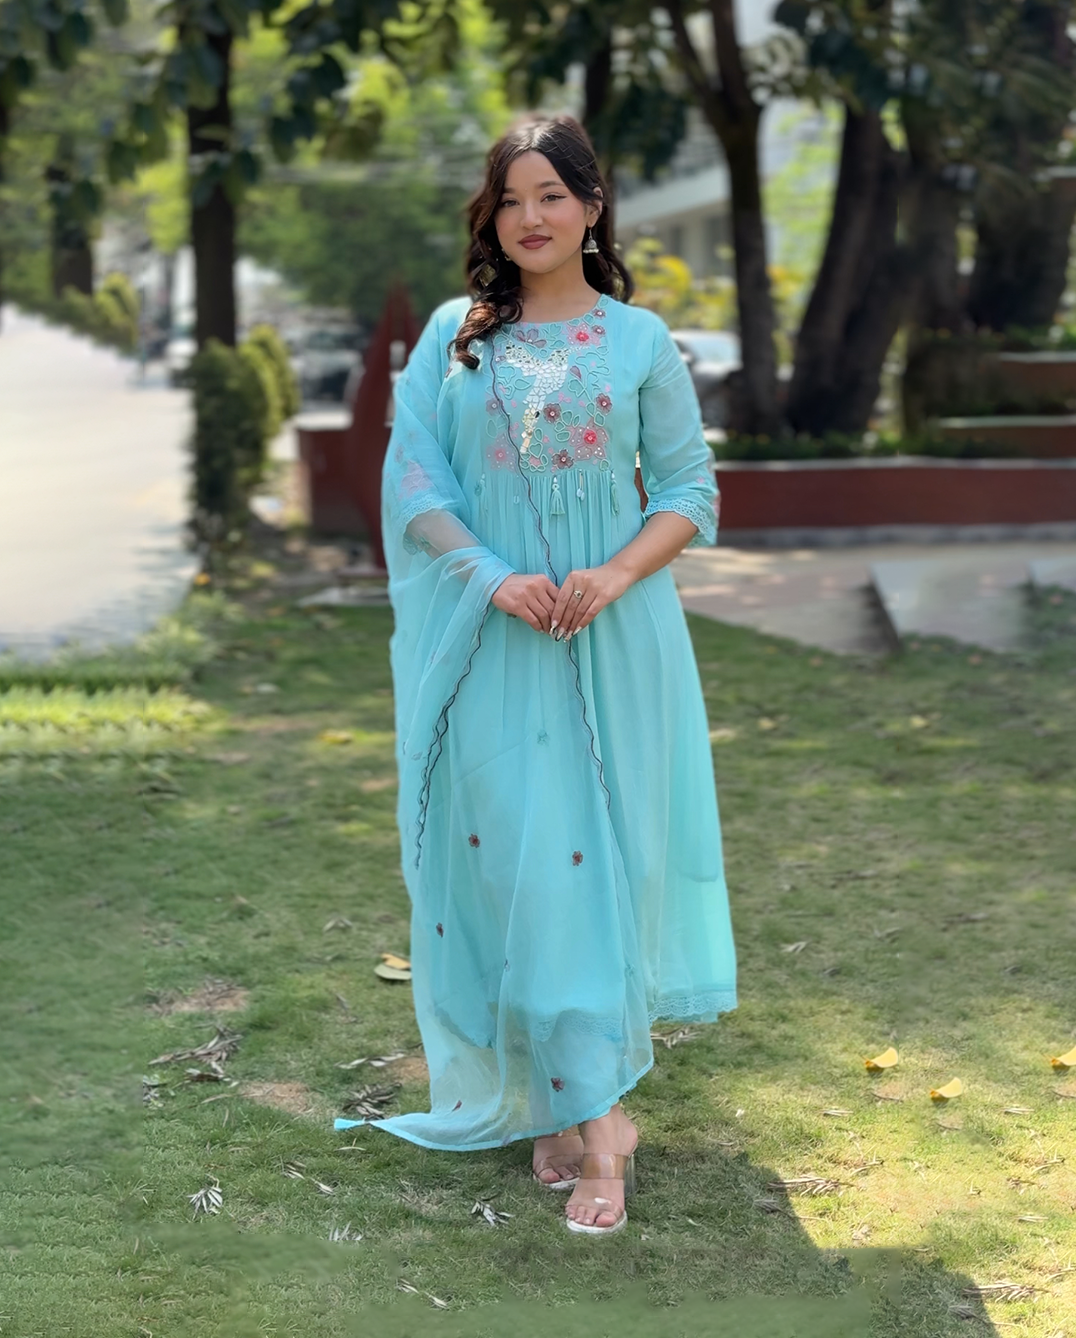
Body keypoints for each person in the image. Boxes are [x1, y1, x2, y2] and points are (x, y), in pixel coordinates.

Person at [363, 113, 737, 1236]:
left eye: (550, 197)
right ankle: (556, 1098)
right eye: (509, 199)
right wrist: (486, 573)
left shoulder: (637, 341)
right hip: (491, 641)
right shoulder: (456, 337)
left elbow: (688, 491)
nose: (528, 218)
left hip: (608, 642)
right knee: (510, 864)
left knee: (593, 870)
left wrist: (612, 576)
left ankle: (600, 1132)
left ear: (591, 206)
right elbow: (410, 476)